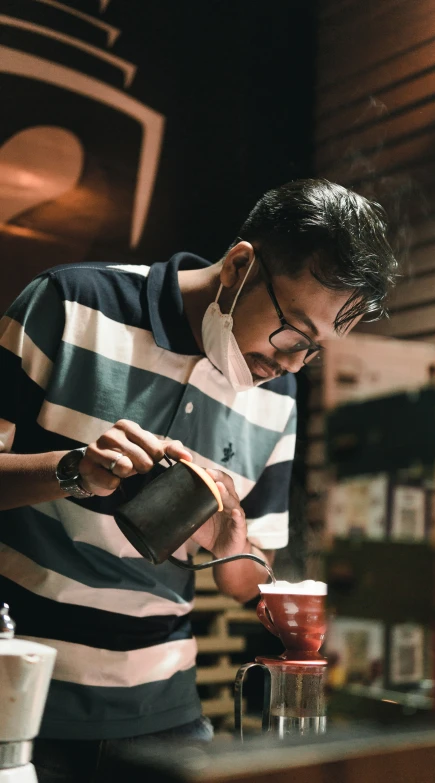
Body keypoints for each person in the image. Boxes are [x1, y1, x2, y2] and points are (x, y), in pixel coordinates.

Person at [0, 178, 397, 781]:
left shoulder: (279, 397)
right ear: (240, 266)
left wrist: (233, 544)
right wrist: (75, 469)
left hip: (164, 710)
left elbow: (242, 579)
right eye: (293, 333)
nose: (291, 363)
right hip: (21, 692)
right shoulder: (71, 303)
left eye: (314, 351)